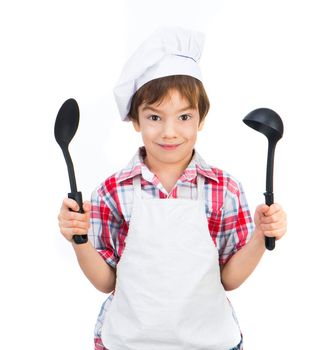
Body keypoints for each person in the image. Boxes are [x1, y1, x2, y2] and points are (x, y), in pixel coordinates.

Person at [58, 27, 287, 350]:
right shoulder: (112, 191)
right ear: (135, 120)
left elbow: (229, 279)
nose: (169, 132)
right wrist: (77, 238)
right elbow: (106, 280)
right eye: (154, 117)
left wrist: (262, 236)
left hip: (209, 340)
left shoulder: (224, 189)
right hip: (129, 341)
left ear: (201, 119)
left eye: (183, 117)